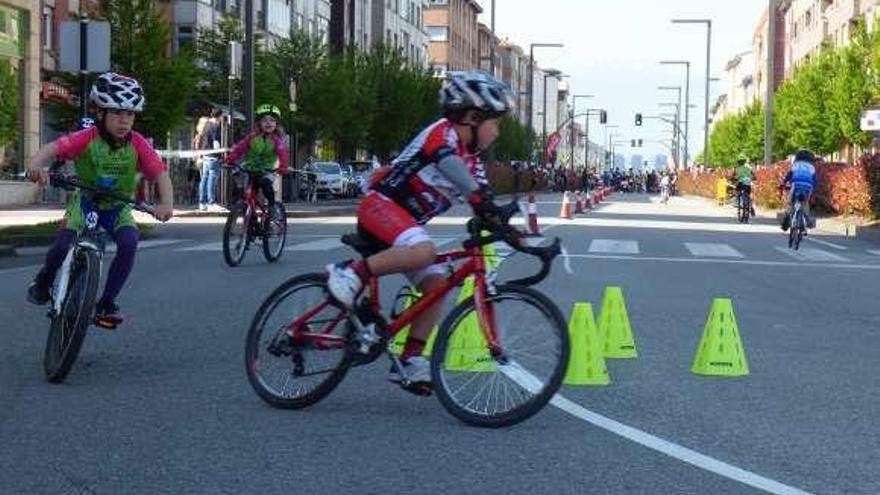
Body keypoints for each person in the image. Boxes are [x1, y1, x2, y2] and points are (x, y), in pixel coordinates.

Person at [325, 70, 515, 386]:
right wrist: (479, 199)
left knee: (436, 286)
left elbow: (486, 200)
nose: (497, 132)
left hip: (403, 224)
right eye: (495, 123)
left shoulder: (473, 161)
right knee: (425, 252)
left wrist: (517, 233)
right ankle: (348, 273)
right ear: (471, 116)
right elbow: (449, 166)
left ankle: (410, 359)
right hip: (380, 206)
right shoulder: (442, 134)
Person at [26, 72, 174, 328]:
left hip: (117, 207)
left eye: (130, 114)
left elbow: (160, 174)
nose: (124, 121)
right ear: (100, 113)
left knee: (129, 243)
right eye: (116, 113)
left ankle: (107, 302)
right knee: (63, 244)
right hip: (85, 201)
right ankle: (44, 280)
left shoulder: (137, 143)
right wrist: (35, 166)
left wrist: (166, 204)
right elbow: (53, 149)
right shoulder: (88, 137)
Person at [225, 104, 289, 219]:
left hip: (268, 170)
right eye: (264, 120)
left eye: (272, 120)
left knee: (265, 183)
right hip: (251, 169)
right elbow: (239, 148)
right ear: (259, 123)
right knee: (247, 193)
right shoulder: (252, 137)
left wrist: (283, 166)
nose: (268, 123)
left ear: (276, 124)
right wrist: (229, 159)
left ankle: (272, 206)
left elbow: (282, 153)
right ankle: (250, 220)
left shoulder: (277, 140)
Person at [781, 149, 818, 231]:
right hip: (808, 186)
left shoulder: (796, 165)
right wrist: (815, 188)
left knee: (790, 202)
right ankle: (807, 219)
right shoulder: (812, 167)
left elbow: (789, 175)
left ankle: (786, 218)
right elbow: (815, 180)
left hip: (796, 184)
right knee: (805, 203)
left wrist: (783, 183)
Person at [196, 108, 223, 211]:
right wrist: (219, 151)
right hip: (213, 155)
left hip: (205, 154)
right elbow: (216, 141)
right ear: (220, 116)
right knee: (212, 179)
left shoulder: (206, 125)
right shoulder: (215, 126)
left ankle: (202, 202)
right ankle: (211, 202)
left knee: (204, 179)